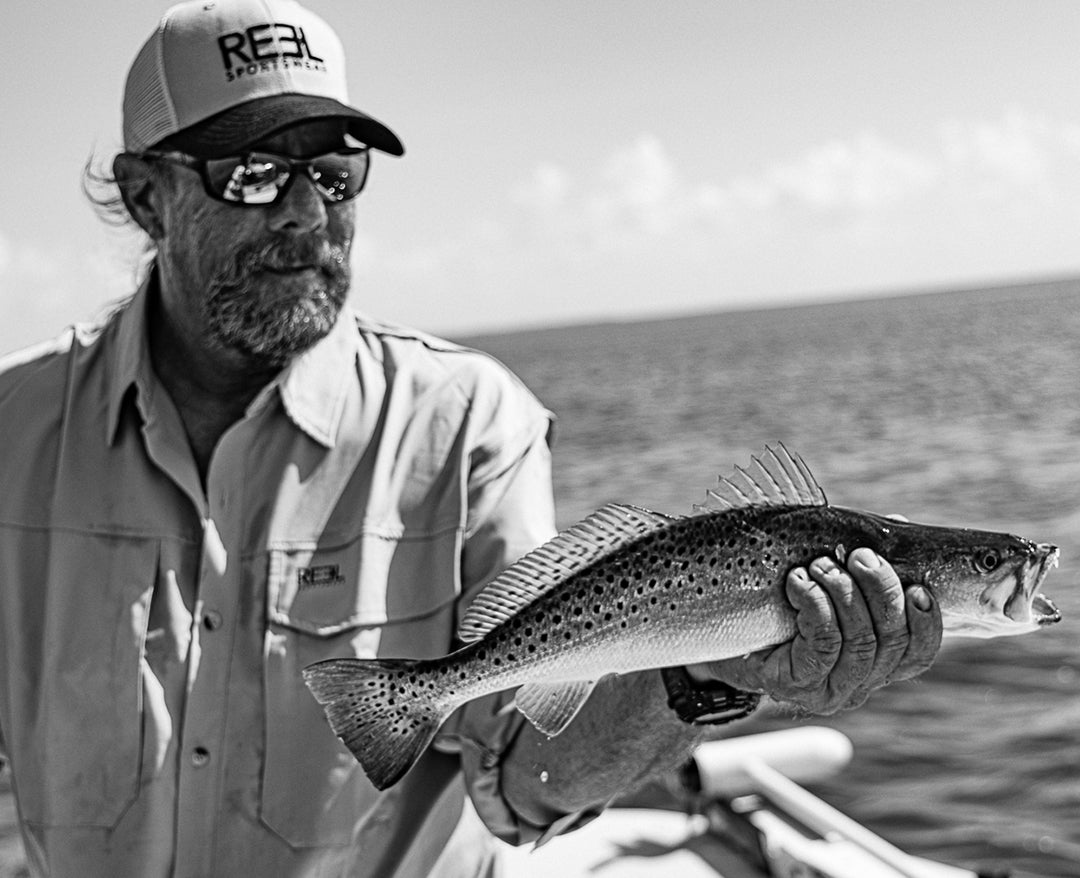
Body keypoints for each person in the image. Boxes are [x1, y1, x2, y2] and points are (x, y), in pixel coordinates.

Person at [0, 1, 943, 875]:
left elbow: (527, 777)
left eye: (334, 173)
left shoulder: (466, 424)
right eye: (251, 174)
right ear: (145, 197)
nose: (306, 211)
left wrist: (702, 674)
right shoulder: (12, 430)